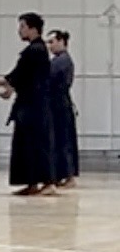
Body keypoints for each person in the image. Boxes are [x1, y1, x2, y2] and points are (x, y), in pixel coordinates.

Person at [0, 13, 56, 196]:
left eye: (22, 26)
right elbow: (18, 80)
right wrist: (3, 88)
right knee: (27, 145)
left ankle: (48, 182)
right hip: (31, 105)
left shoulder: (35, 51)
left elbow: (14, 76)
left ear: (33, 29)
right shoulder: (36, 50)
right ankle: (32, 183)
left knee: (36, 145)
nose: (19, 30)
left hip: (34, 107)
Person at [47, 30, 79, 189]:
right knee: (62, 140)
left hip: (59, 105)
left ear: (61, 42)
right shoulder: (60, 60)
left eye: (51, 42)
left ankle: (69, 175)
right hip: (59, 103)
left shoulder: (62, 61)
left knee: (63, 140)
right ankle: (63, 174)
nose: (49, 46)